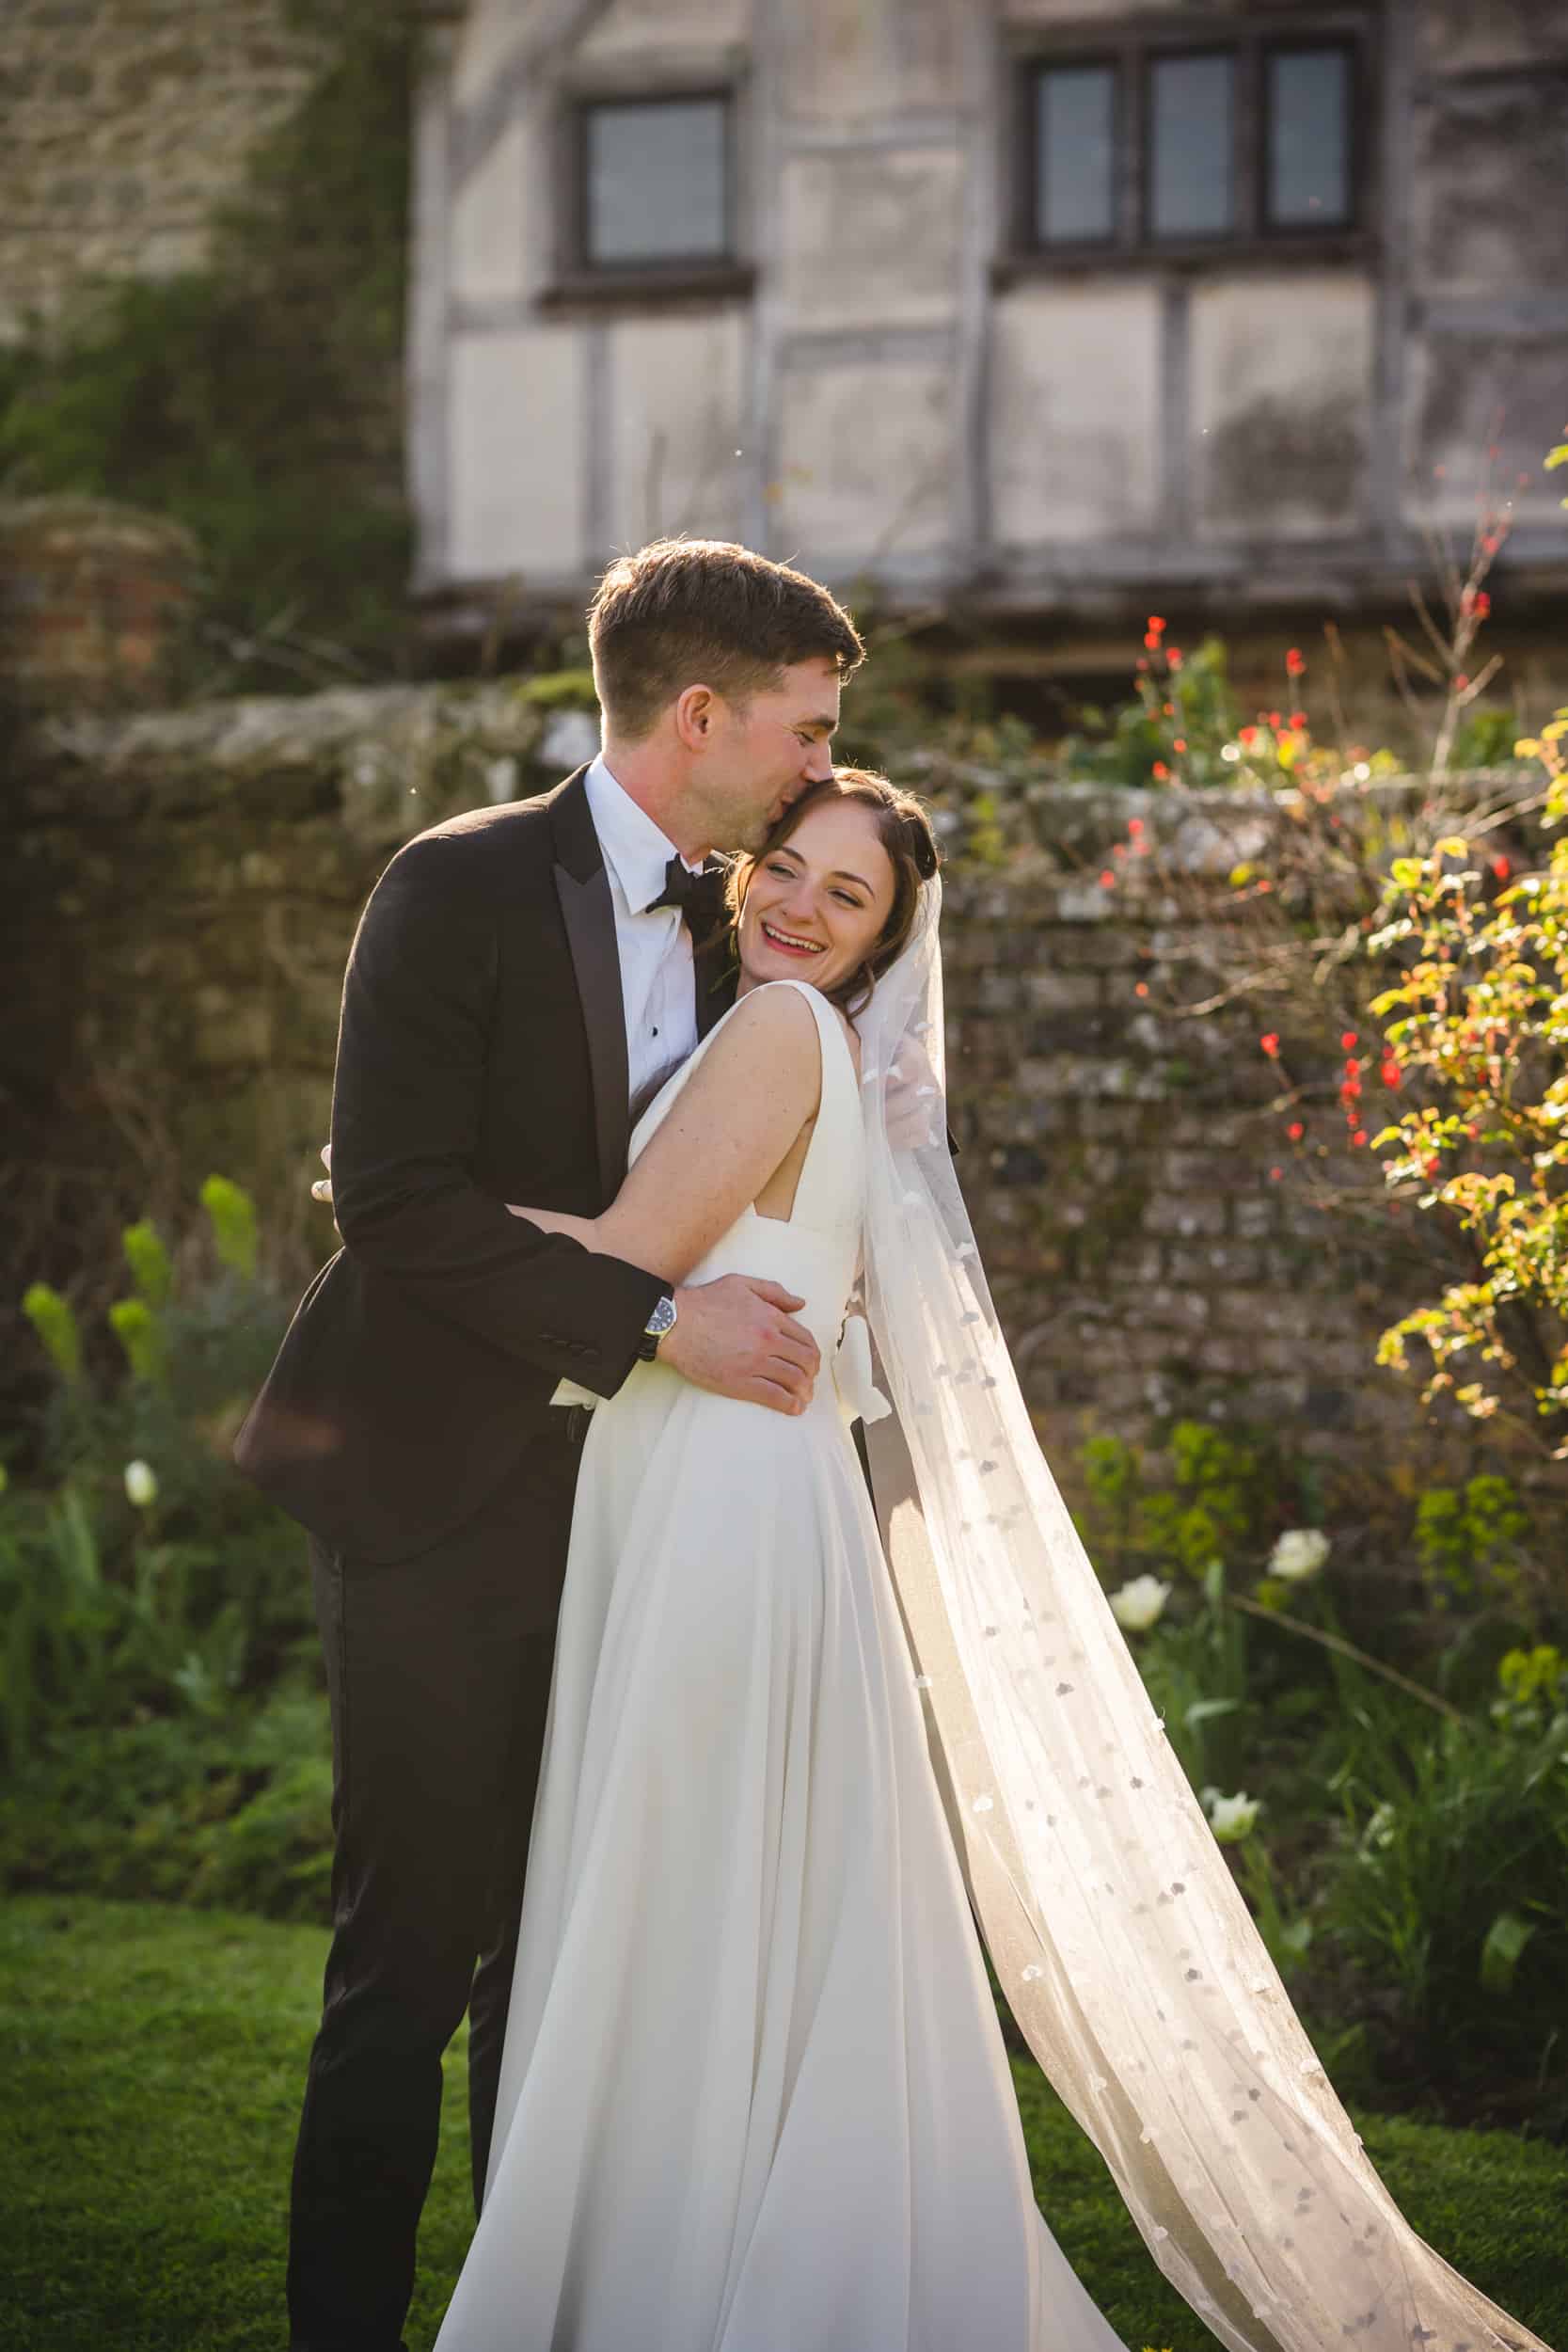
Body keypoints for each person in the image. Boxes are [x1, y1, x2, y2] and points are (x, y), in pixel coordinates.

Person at [427, 771, 1555, 2352]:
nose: (798, 907)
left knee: (682, 1884)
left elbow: (625, 1263)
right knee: (731, 1888)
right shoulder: (791, 1046)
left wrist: (418, 1209)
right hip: (728, 1482)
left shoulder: (775, 1037)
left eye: (847, 898)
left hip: (720, 1505)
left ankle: (674, 2284)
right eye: (789, 869)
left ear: (887, 942)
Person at [232, 537, 866, 2352]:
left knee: (575, 1980)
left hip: (645, 1513)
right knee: (406, 1970)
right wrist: (662, 1318)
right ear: (699, 715)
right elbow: (401, 1203)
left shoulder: (771, 932)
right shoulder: (458, 886)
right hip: (439, 1499)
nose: (825, 771)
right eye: (809, 734)